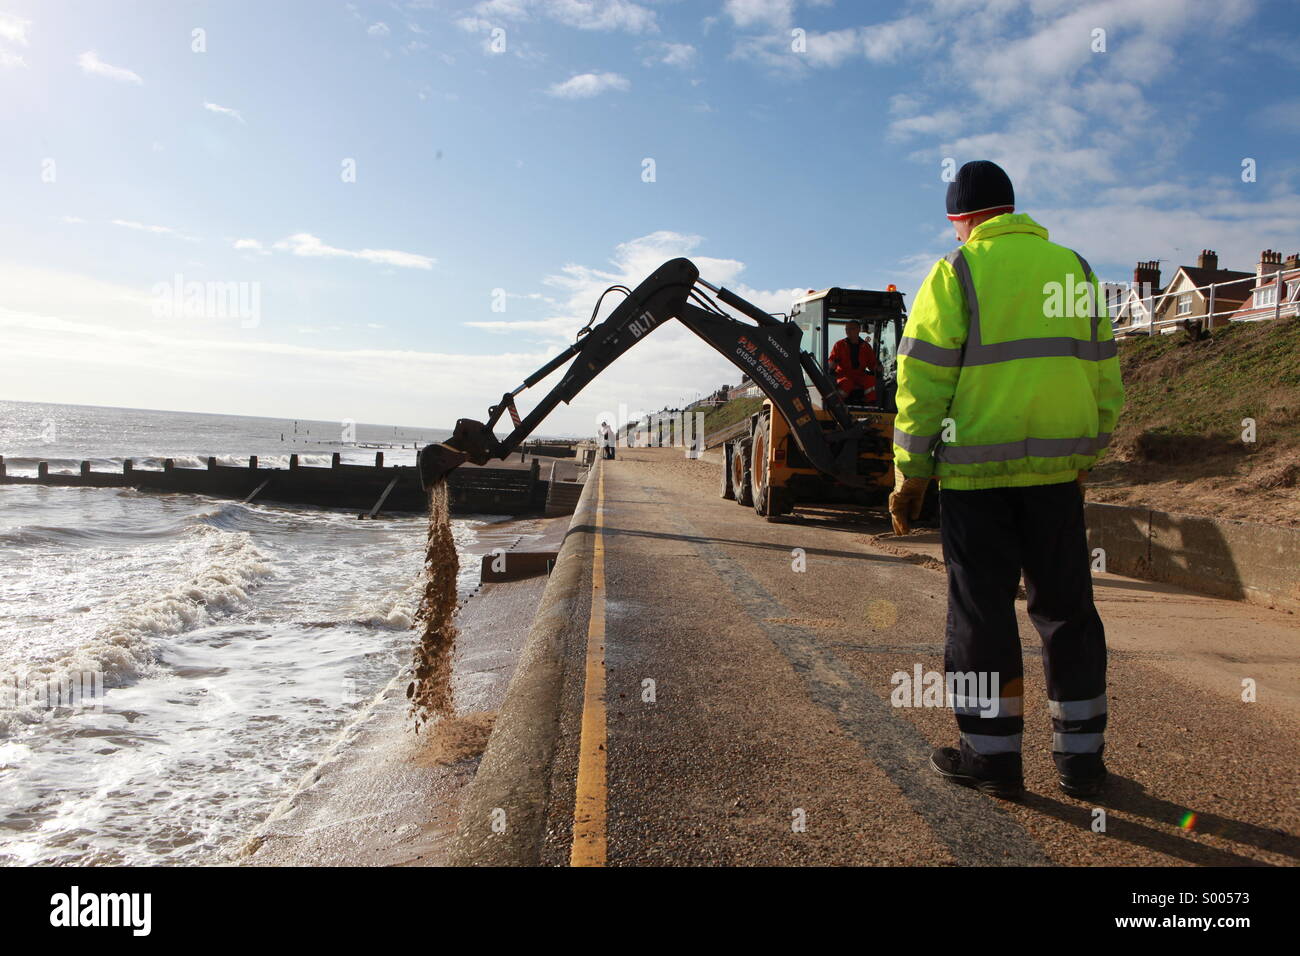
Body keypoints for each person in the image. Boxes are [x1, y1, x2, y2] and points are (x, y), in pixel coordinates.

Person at [888, 160, 1124, 800]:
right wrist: (1085, 457)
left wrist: (912, 471)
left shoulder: (955, 272)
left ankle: (992, 760)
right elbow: (1105, 371)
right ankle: (1082, 764)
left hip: (975, 482)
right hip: (1054, 480)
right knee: (1067, 613)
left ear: (959, 220)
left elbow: (923, 379)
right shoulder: (1073, 269)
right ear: (1014, 212)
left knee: (982, 616)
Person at [828, 320, 877, 405]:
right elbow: (831, 362)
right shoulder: (839, 345)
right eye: (847, 329)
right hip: (843, 375)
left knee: (870, 380)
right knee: (847, 383)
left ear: (858, 330)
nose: (848, 331)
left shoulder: (866, 347)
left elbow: (872, 364)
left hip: (859, 375)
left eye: (851, 329)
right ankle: (838, 405)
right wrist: (832, 364)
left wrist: (878, 368)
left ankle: (871, 405)